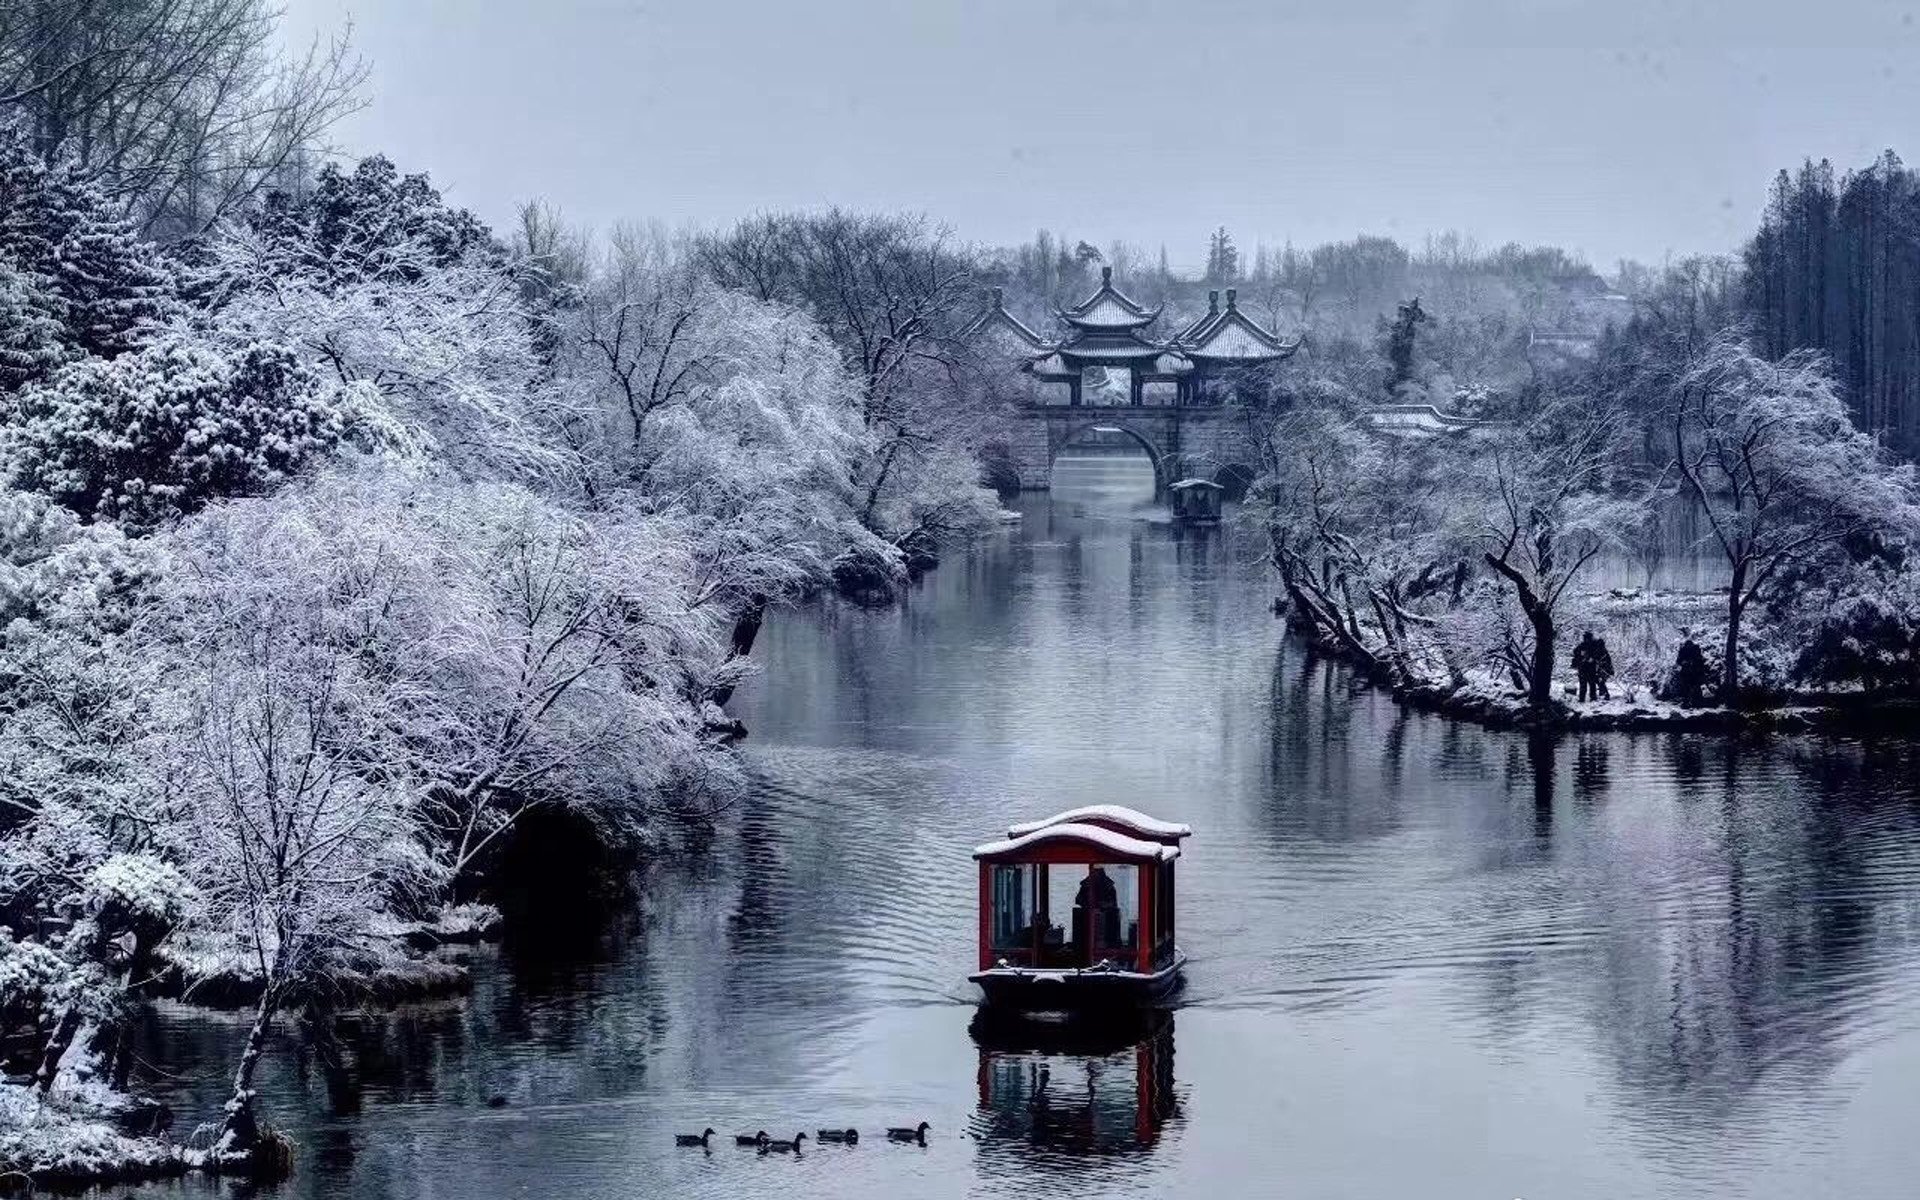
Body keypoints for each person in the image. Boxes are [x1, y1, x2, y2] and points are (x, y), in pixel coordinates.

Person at [1672, 630, 1708, 708]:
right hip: (1694, 672)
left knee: (1687, 688)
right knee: (1695, 687)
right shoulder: (1696, 649)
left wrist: (1684, 663)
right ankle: (1695, 703)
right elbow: (1700, 660)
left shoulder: (1684, 650)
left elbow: (1678, 661)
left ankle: (1687, 703)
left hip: (1687, 672)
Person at [1572, 630, 1602, 702]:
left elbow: (1598, 654)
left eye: (1588, 638)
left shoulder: (1594, 645)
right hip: (1583, 667)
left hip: (1590, 667)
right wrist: (1581, 657)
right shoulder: (1582, 646)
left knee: (1591, 683)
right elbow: (1576, 652)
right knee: (1584, 683)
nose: (1587, 639)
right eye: (1586, 638)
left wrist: (1593, 658)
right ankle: (1583, 698)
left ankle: (1592, 697)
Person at [1591, 634, 1614, 700]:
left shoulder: (1602, 651)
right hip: (1603, 669)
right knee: (1598, 680)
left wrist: (1600, 663)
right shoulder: (1601, 650)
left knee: (1600, 681)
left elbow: (1606, 660)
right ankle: (1602, 693)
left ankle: (1606, 695)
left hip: (1605, 669)